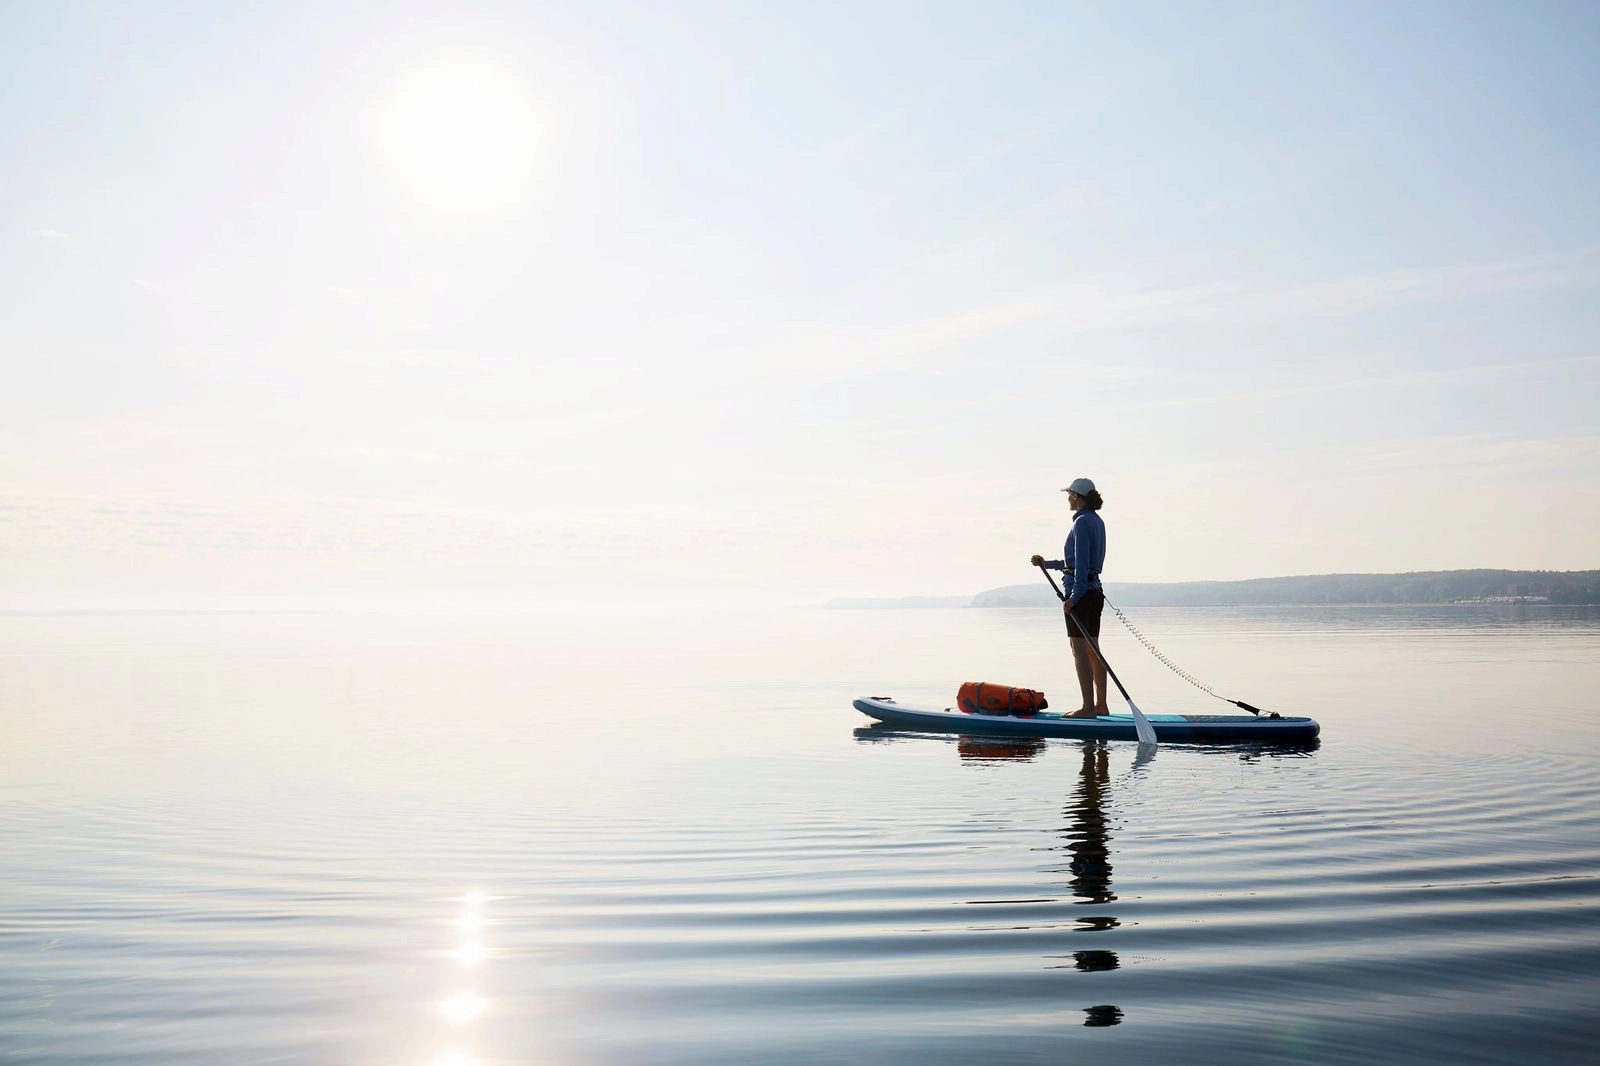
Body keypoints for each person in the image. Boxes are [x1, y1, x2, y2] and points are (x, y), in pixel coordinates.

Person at [1030, 477, 1108, 717]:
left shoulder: (1081, 522)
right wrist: (1048, 564)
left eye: (1069, 494)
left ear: (1077, 497)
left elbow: (1082, 565)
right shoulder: (1096, 520)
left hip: (1082, 594)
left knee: (1079, 650)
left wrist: (1073, 597)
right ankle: (1101, 706)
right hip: (1094, 592)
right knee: (1093, 649)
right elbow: (1075, 561)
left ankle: (1087, 708)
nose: (1067, 498)